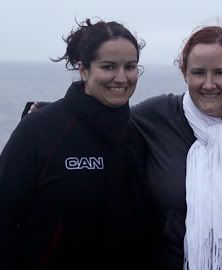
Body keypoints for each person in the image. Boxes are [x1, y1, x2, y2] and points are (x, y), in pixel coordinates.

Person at [21, 25, 222, 269]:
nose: (208, 84)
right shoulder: (157, 116)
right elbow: (102, 118)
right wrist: (49, 114)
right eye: (198, 73)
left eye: (220, 72)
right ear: (184, 72)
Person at [0, 18, 145, 269]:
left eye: (130, 66)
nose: (121, 78)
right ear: (84, 69)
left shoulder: (137, 133)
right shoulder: (40, 129)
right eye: (108, 67)